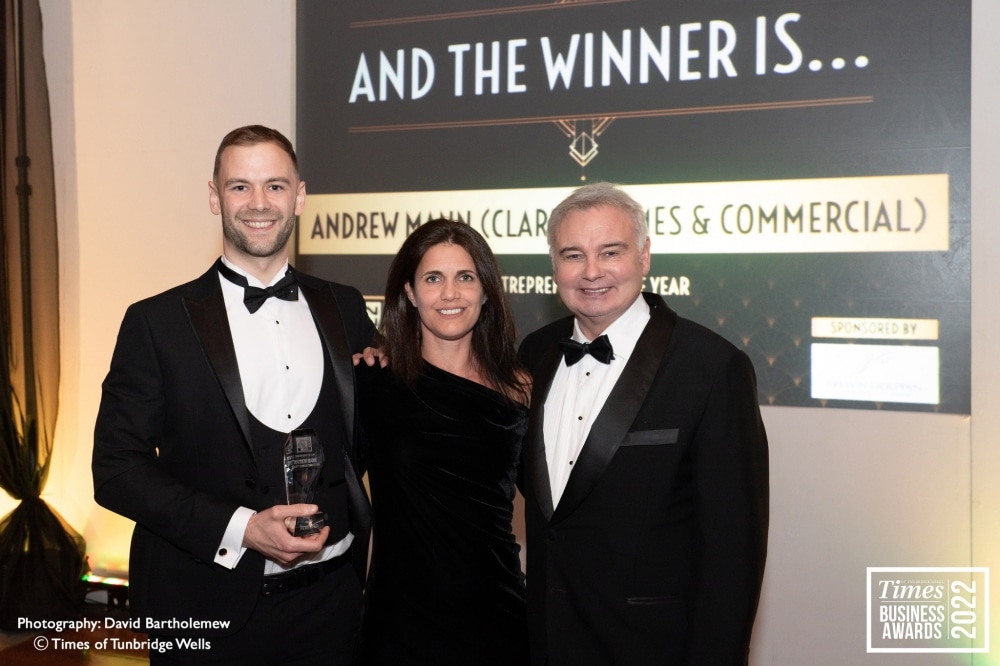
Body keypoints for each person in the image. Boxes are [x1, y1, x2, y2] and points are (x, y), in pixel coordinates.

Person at [92, 125, 374, 665]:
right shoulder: (156, 323)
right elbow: (116, 471)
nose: (259, 203)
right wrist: (242, 528)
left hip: (333, 607)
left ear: (300, 195)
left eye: (274, 185)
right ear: (214, 197)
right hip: (203, 608)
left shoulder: (346, 307)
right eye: (239, 186)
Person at [517, 182, 769, 665]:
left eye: (610, 251)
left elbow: (733, 554)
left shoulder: (713, 368)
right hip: (547, 644)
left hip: (654, 649)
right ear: (554, 266)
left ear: (645, 255)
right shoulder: (534, 354)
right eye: (573, 255)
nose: (591, 272)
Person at [354, 219, 531, 665]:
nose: (450, 294)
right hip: (398, 625)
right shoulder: (373, 382)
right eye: (433, 278)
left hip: (497, 619)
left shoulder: (521, 389)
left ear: (486, 291)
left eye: (465, 277)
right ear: (410, 294)